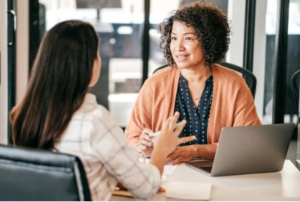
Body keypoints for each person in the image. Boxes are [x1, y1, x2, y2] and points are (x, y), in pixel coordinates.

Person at [9, 20, 195, 201]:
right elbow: (147, 187)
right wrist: (161, 149)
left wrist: (115, 177)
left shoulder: (24, 115)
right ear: (86, 65)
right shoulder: (95, 121)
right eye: (97, 54)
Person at [125, 1, 261, 165]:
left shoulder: (234, 84)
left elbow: (247, 143)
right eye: (174, 38)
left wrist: (196, 151)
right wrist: (145, 148)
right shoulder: (155, 84)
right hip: (166, 172)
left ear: (208, 40)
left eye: (188, 38)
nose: (178, 47)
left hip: (217, 173)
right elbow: (132, 137)